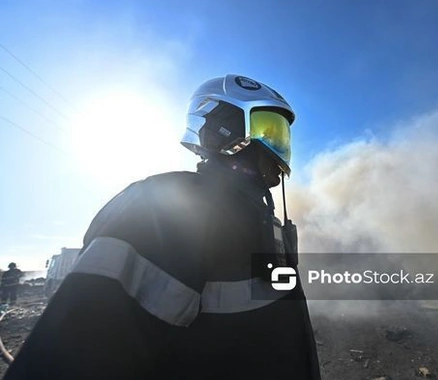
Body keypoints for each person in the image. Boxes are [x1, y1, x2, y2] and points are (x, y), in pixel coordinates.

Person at [5, 75, 321, 379]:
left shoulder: (270, 226)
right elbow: (73, 356)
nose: (278, 146)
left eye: (282, 137)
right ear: (224, 126)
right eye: (270, 129)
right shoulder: (160, 207)